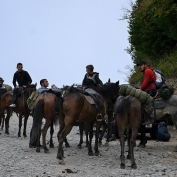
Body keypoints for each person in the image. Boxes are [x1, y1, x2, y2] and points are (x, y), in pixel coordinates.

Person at [136, 60, 157, 148]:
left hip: (150, 91)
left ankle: (147, 116)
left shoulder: (148, 71)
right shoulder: (146, 71)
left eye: (141, 65)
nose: (140, 67)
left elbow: (145, 84)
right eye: (139, 66)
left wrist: (138, 91)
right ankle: (143, 140)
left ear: (145, 65)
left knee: (141, 106)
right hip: (148, 90)